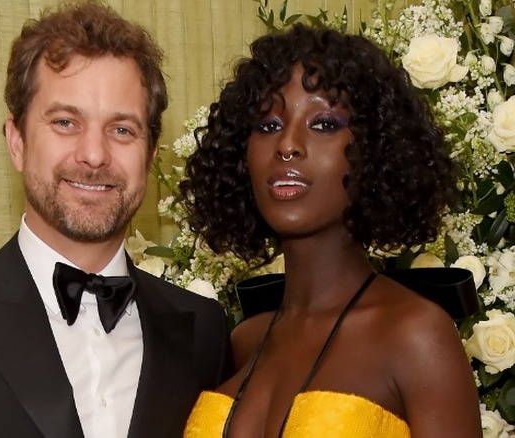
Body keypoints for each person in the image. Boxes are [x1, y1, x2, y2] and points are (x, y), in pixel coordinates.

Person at [0, 2, 231, 437]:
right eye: (65, 122)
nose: (93, 154)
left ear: (150, 155)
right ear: (17, 142)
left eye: (122, 129)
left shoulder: (204, 329)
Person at [179, 24, 482, 437]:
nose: (287, 144)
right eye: (266, 126)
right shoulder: (245, 340)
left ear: (376, 151)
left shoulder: (416, 334)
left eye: (323, 124)